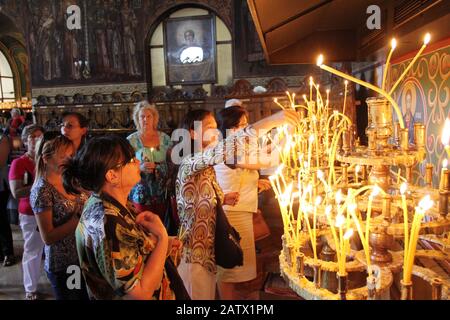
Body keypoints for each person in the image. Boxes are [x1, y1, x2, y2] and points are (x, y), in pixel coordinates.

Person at [176, 108, 300, 300]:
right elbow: (229, 148)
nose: (216, 132)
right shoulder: (190, 162)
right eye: (210, 127)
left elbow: (200, 197)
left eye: (216, 127)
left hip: (209, 252)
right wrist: (273, 120)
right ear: (192, 133)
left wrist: (222, 198)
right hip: (194, 253)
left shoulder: (207, 167)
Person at [62, 135, 187, 300]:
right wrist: (162, 239)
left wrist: (156, 244)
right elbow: (140, 293)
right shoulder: (109, 223)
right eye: (130, 159)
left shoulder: (109, 202)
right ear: (112, 176)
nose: (137, 161)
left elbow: (132, 253)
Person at [214, 105, 272, 300]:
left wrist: (256, 183)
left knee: (241, 270)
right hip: (231, 215)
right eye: (242, 126)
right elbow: (264, 160)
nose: (247, 130)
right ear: (230, 129)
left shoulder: (239, 148)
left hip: (242, 211)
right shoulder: (226, 150)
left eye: (247, 125)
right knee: (229, 270)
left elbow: (240, 174)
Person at [30, 134, 89, 300]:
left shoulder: (69, 180)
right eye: (63, 156)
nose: (69, 160)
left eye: (71, 155)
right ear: (46, 159)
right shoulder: (42, 190)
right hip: (65, 264)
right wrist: (78, 218)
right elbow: (47, 237)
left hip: (81, 258)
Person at [8, 124, 45, 299]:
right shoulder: (19, 163)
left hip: (53, 210)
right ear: (24, 140)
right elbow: (16, 192)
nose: (36, 139)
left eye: (39, 136)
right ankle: (30, 288)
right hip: (30, 213)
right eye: (31, 136)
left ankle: (68, 284)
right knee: (33, 250)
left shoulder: (47, 159)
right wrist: (41, 184)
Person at [127, 101, 173, 218]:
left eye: (149, 116)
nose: (145, 119)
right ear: (137, 119)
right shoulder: (131, 140)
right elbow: (125, 166)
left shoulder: (165, 139)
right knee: (143, 224)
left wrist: (158, 167)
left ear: (154, 119)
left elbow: (172, 163)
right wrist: (140, 168)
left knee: (161, 223)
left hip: (161, 190)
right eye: (142, 116)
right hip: (140, 192)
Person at [0, 132, 15, 267]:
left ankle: (8, 252)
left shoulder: (2, 138)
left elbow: (2, 160)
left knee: (1, 220)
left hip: (1, 185)